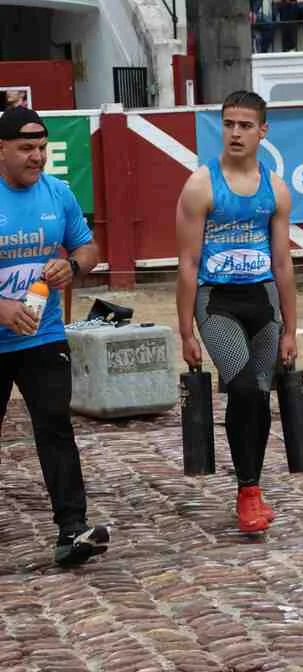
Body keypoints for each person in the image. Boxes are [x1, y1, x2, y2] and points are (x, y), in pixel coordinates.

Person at [176, 90, 297, 534]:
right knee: (242, 386)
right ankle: (247, 490)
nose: (235, 133)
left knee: (259, 394)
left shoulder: (276, 188)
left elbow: (283, 263)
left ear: (263, 131)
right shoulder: (200, 185)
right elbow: (187, 263)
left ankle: (251, 489)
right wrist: (186, 331)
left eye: (245, 125)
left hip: (263, 301)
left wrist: (291, 330)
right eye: (228, 124)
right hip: (217, 302)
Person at [0, 106, 110, 566]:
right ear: (1, 149)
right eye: (26, 148)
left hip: (42, 336)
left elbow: (88, 246)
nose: (37, 157)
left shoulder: (57, 192)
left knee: (54, 426)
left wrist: (74, 265)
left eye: (42, 148)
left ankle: (72, 529)